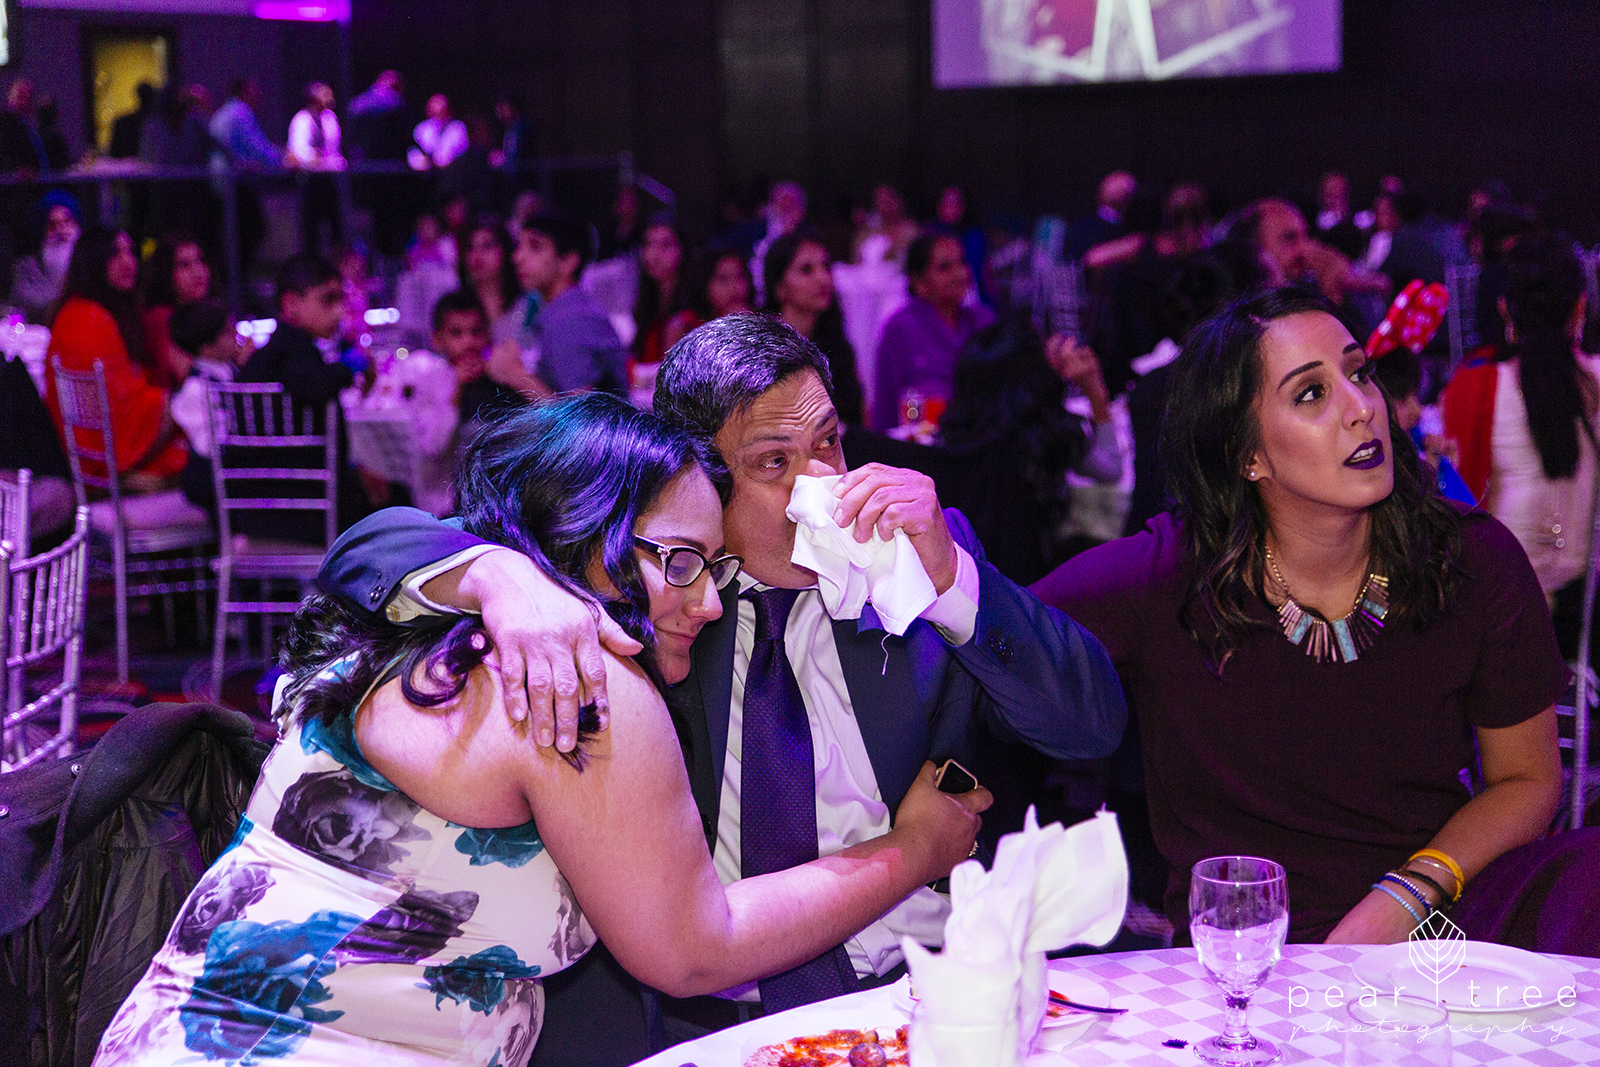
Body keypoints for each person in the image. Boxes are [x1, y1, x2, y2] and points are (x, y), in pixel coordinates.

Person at [316, 312, 1127, 1060]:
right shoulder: (649, 590)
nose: (822, 485)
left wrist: (952, 584)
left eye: (829, 443)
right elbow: (371, 548)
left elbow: (1093, 727)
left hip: (911, 986)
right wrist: (497, 576)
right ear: (700, 476)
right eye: (775, 462)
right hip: (704, 1010)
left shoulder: (910, 561)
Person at [92, 392, 989, 1067]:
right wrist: (914, 848)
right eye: (681, 561)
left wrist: (492, 573)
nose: (710, 601)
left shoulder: (434, 621)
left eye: (713, 566)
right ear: (586, 534)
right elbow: (695, 947)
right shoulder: (574, 678)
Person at [1032, 285, 1564, 945]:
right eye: (1311, 393)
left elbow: (1528, 778)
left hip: (1431, 938)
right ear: (1247, 455)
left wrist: (1405, 895)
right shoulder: (1166, 576)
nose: (1362, 408)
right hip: (1243, 966)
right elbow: (993, 630)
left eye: (1359, 373)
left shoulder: (1470, 560)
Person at [1440, 235, 1599, 652]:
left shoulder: (1474, 389)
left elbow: (1457, 503)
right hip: (1586, 613)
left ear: (1505, 309)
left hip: (1501, 613)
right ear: (1580, 308)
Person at [236, 254, 369, 538]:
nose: (339, 312)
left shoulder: (268, 354)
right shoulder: (293, 351)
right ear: (291, 304)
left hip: (261, 507)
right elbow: (314, 386)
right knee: (397, 502)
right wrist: (347, 368)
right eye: (327, 300)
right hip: (303, 509)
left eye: (340, 301)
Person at [44, 226, 188, 485]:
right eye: (115, 254)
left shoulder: (74, 311)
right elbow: (121, 407)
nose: (128, 262)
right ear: (94, 261)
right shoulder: (91, 319)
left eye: (130, 252)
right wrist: (176, 400)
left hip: (83, 457)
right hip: (104, 460)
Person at [872, 232, 996, 431]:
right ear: (918, 282)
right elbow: (889, 407)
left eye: (962, 263)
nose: (960, 274)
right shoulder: (902, 328)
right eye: (944, 267)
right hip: (917, 440)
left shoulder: (983, 320)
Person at [510, 213, 627, 395]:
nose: (518, 257)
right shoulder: (561, 311)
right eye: (519, 246)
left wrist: (516, 376)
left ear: (568, 261)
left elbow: (582, 410)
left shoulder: (571, 319)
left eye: (535, 247)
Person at [761, 229, 863, 425]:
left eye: (826, 267)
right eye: (806, 270)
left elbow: (855, 415)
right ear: (779, 288)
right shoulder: (763, 348)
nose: (823, 278)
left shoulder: (835, 342)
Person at [167, 298, 254, 512]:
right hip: (210, 478)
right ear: (207, 349)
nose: (237, 335)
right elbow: (214, 447)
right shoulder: (196, 388)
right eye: (227, 332)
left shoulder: (228, 369)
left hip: (230, 467)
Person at [140, 233, 213, 389]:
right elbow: (187, 375)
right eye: (185, 265)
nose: (198, 271)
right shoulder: (160, 317)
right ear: (166, 273)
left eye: (201, 261)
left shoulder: (209, 314)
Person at [287, 82, 346, 256]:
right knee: (311, 229)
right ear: (314, 98)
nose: (331, 99)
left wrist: (328, 160)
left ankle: (337, 263)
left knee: (336, 227)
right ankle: (311, 264)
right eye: (326, 95)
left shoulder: (330, 118)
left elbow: (333, 150)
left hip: (330, 179)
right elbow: (298, 152)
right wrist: (317, 158)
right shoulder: (301, 120)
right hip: (309, 181)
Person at [661, 246, 753, 351]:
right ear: (705, 283)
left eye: (740, 276)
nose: (734, 287)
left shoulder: (757, 323)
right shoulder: (683, 327)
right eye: (723, 279)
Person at [10, 189, 80, 323]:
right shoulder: (27, 267)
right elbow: (21, 307)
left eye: (67, 222)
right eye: (52, 225)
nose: (60, 230)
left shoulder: (91, 265)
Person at [631, 217, 684, 368]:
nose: (654, 254)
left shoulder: (689, 313)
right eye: (648, 244)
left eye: (665, 245)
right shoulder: (647, 304)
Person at [459, 213, 521, 338]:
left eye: (487, 246)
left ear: (505, 250)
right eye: (470, 247)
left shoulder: (524, 304)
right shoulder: (457, 307)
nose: (477, 255)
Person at [409, 94, 468, 172]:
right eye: (434, 113)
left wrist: (441, 159)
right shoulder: (421, 128)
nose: (438, 117)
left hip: (451, 170)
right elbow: (417, 151)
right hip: (425, 171)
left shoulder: (458, 128)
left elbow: (460, 152)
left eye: (442, 112)